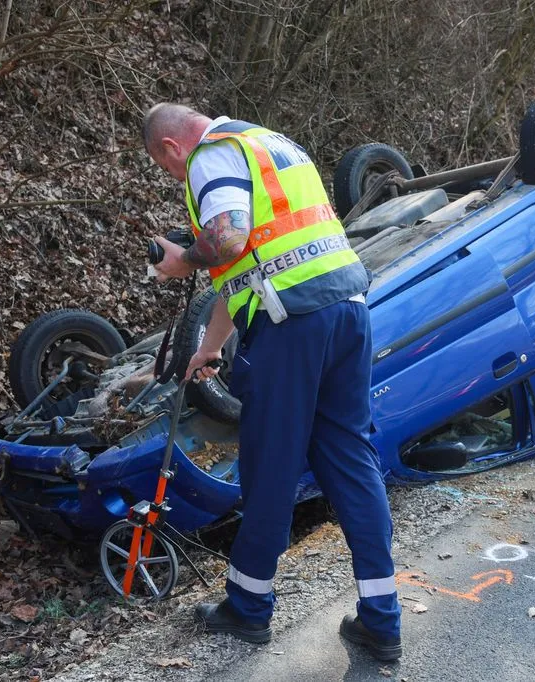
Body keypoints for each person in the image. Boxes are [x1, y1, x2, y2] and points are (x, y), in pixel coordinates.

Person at [142, 103, 402, 661]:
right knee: (351, 462)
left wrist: (181, 259)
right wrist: (209, 348)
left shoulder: (209, 159)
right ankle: (383, 620)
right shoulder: (272, 144)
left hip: (293, 331)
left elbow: (229, 243)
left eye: (168, 170)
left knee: (270, 466)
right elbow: (255, 266)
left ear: (170, 149)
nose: (176, 179)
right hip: (346, 311)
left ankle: (248, 609)